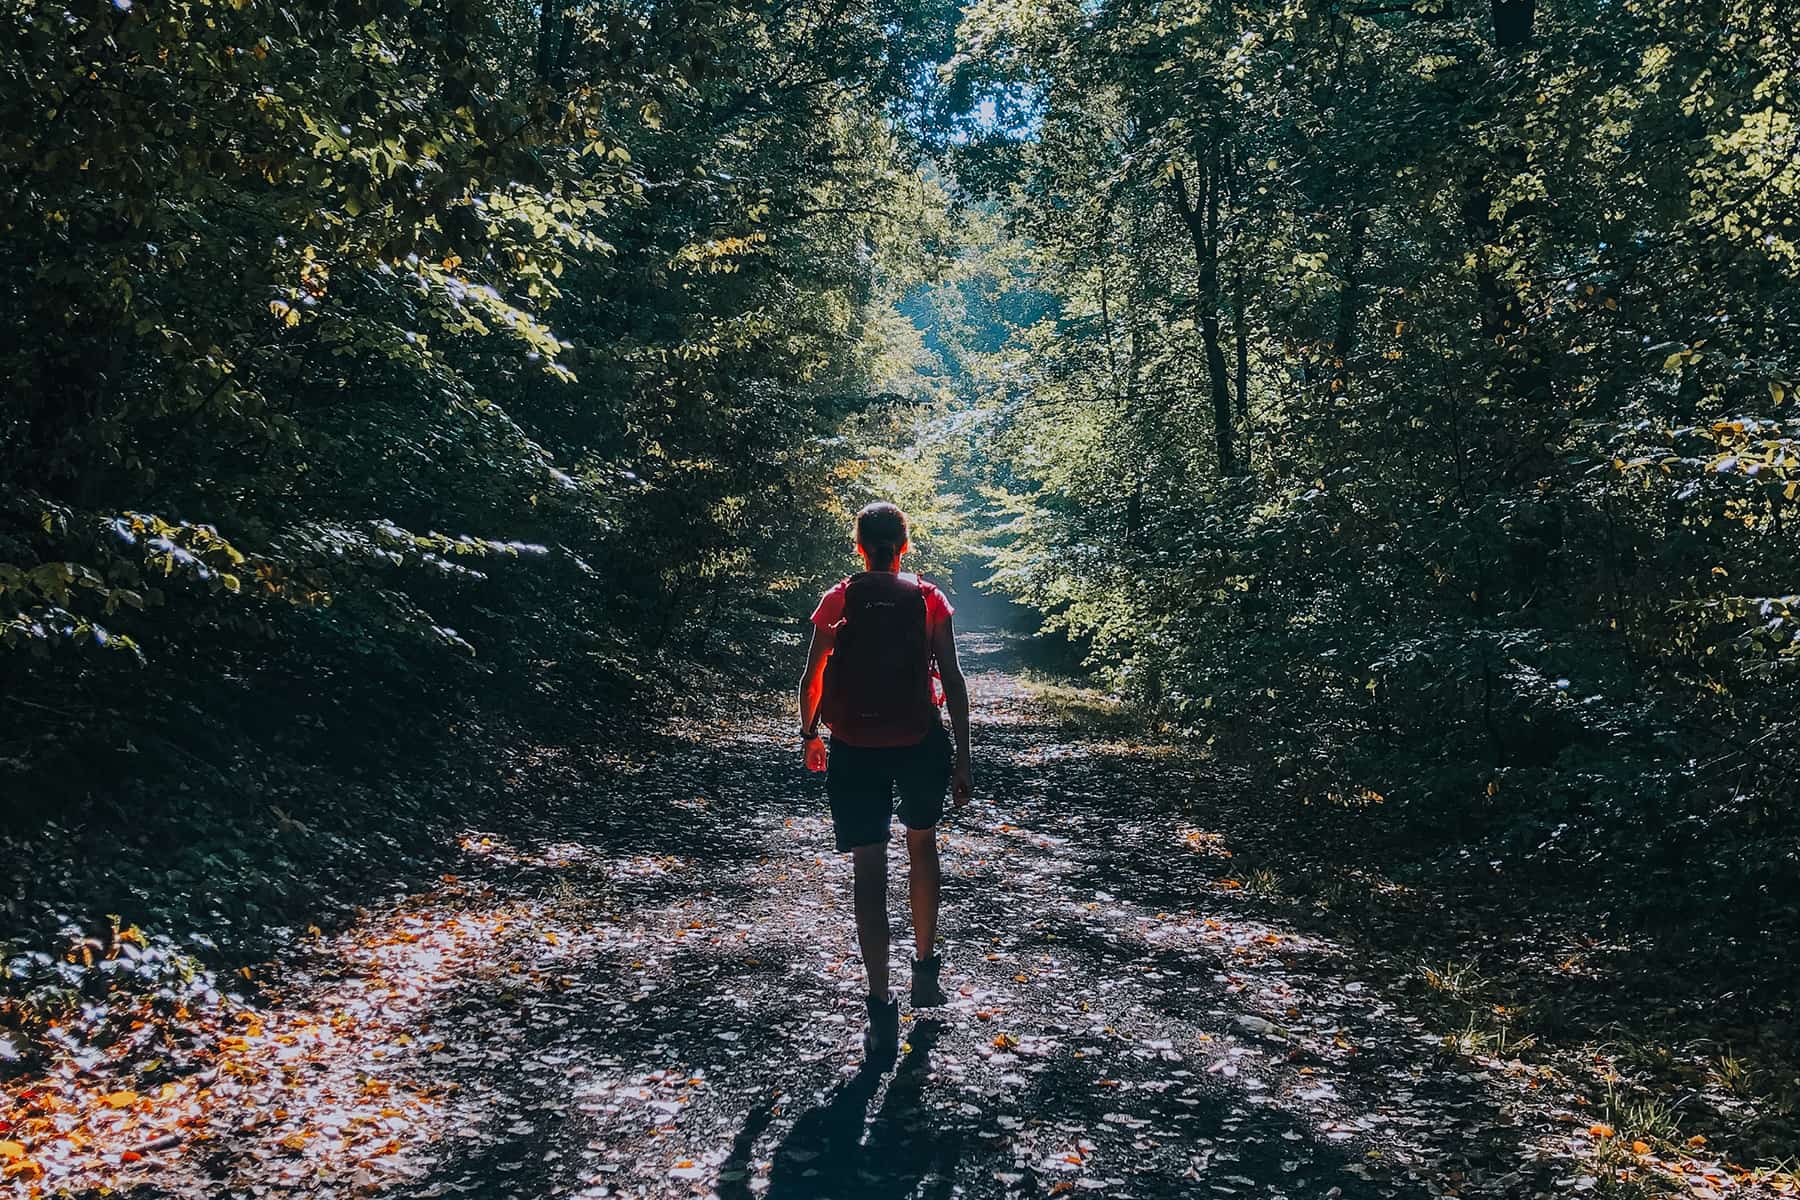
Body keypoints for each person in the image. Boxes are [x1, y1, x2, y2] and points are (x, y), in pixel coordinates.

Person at [797, 501, 973, 1064]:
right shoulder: (928, 598)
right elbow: (952, 677)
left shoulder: (839, 598)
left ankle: (879, 1006)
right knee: (921, 843)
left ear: (858, 545)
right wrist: (964, 757)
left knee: (868, 868)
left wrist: (810, 735)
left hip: (854, 744)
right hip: (919, 739)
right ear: (904, 545)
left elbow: (812, 676)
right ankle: (925, 969)